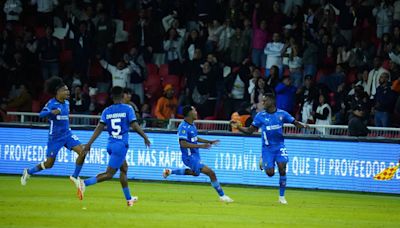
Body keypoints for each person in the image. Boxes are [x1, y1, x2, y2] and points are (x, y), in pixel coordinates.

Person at [76, 86, 151, 206]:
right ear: (122, 96)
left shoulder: (107, 111)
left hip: (110, 145)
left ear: (111, 97)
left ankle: (129, 199)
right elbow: (135, 125)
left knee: (124, 168)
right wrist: (145, 137)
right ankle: (84, 183)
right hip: (120, 146)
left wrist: (89, 144)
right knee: (109, 174)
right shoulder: (128, 108)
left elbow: (99, 128)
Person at [230, 94, 307, 204]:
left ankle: (282, 197)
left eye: (265, 101)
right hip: (267, 149)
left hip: (280, 146)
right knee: (270, 173)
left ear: (272, 101)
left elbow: (295, 123)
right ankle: (264, 161)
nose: (263, 103)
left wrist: (304, 126)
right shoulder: (260, 116)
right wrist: (238, 127)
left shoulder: (282, 114)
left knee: (282, 168)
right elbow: (250, 131)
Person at [21, 77, 86, 186]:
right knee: (49, 164)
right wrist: (52, 112)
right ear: (58, 92)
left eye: (67, 90)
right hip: (55, 138)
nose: (68, 92)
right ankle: (29, 171)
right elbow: (41, 114)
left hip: (67, 134)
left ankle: (74, 176)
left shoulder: (67, 103)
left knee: (83, 152)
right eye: (65, 90)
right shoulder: (51, 103)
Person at [162, 106, 233, 203]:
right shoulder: (183, 127)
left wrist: (209, 142)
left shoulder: (192, 125)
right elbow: (183, 143)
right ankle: (222, 196)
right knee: (211, 173)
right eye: (194, 110)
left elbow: (195, 138)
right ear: (189, 113)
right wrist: (201, 146)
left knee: (196, 173)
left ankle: (169, 171)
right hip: (189, 156)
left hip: (195, 155)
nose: (196, 112)